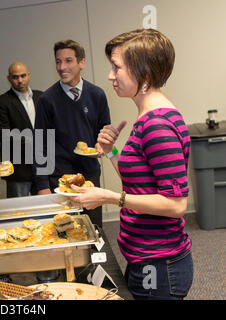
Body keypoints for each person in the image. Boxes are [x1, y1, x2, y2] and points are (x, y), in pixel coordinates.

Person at [69, 29, 193, 300]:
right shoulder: (147, 117)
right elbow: (141, 183)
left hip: (161, 264)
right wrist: (110, 151)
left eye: (117, 68)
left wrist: (111, 198)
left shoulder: (157, 125)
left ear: (144, 73)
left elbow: (176, 205)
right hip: (146, 258)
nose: (110, 76)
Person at [33, 40, 111, 227]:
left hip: (89, 176)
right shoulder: (47, 100)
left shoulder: (97, 95)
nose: (62, 67)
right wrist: (42, 186)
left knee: (93, 229)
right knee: (64, 232)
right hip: (60, 179)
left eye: (68, 61)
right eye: (58, 62)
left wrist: (101, 145)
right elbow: (40, 144)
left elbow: (104, 130)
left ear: (81, 62)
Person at [0, 62, 43, 197]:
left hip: (42, 165)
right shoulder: (1, 102)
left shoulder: (41, 97)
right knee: (18, 212)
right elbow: (5, 135)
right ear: (9, 79)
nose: (20, 80)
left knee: (46, 209)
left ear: (28, 75)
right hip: (18, 169)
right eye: (15, 77)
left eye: (23, 76)